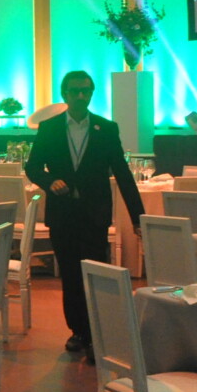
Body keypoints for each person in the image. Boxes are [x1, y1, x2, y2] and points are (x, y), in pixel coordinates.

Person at [24, 70, 145, 359]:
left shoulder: (106, 128)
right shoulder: (49, 128)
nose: (81, 95)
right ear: (64, 93)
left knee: (95, 273)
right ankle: (78, 331)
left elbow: (123, 175)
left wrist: (139, 219)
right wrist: (49, 181)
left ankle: (96, 334)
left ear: (91, 94)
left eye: (86, 91)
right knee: (70, 274)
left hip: (95, 214)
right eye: (75, 90)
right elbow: (32, 167)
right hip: (63, 214)